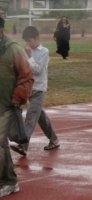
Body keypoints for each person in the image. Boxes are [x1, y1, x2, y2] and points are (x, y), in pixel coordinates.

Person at [10, 27, 60, 157]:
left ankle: (23, 145)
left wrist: (30, 56)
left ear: (37, 38)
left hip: (39, 89)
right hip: (28, 89)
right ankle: (54, 139)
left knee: (31, 116)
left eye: (30, 41)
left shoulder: (44, 52)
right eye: (26, 41)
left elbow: (37, 70)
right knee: (40, 116)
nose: (28, 44)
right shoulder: (24, 51)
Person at [0, 17, 33, 197]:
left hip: (6, 105)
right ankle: (9, 179)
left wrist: (17, 98)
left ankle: (7, 182)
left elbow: (27, 77)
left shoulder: (13, 49)